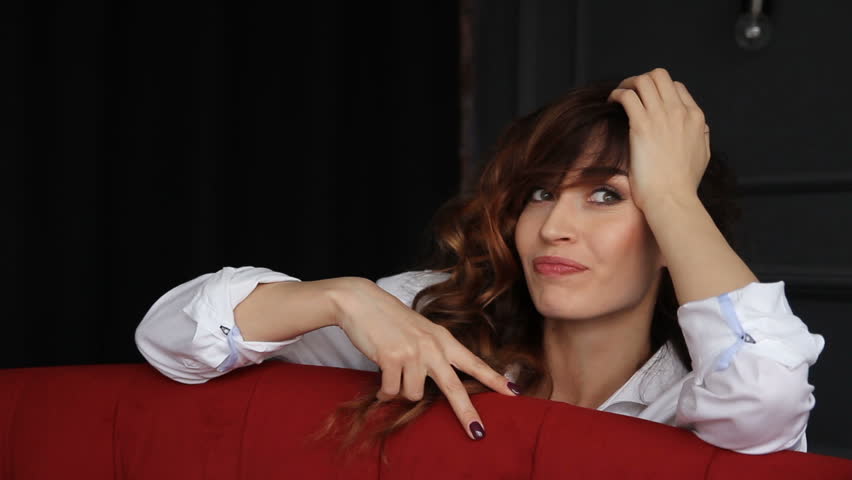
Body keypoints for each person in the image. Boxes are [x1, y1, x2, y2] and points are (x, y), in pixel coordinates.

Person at [135, 68, 824, 457]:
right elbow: (169, 339)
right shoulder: (444, 316)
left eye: (606, 197)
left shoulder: (700, 396)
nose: (554, 227)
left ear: (676, 234)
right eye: (542, 193)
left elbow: (767, 393)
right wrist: (342, 298)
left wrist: (672, 191)